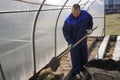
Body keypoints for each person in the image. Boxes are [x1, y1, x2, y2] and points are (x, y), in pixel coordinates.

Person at [62, 4, 93, 79]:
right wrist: (70, 42)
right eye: (73, 13)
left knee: (84, 55)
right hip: (74, 43)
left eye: (77, 13)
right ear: (71, 11)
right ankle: (77, 72)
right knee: (75, 57)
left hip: (83, 40)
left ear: (80, 10)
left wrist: (89, 28)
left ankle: (84, 68)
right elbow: (66, 32)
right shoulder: (68, 20)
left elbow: (90, 21)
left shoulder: (85, 14)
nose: (75, 14)